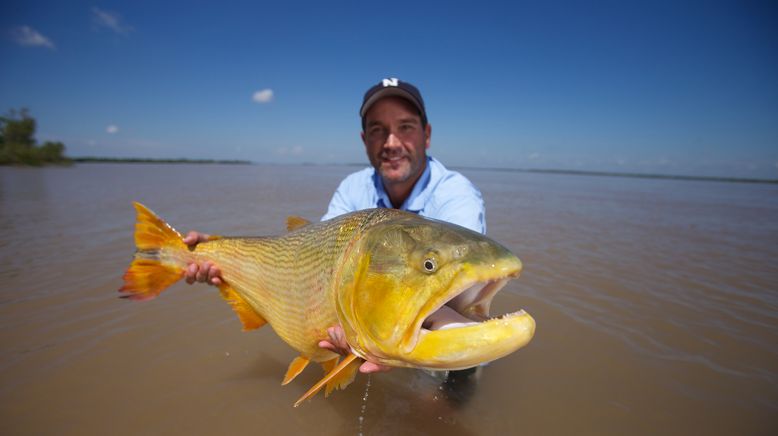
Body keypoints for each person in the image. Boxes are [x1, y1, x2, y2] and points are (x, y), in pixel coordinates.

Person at [184, 78, 486, 374]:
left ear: (427, 134)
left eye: (405, 127)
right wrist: (217, 248)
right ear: (364, 139)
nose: (391, 142)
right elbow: (315, 254)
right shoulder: (353, 188)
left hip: (441, 327)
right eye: (377, 130)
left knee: (458, 379)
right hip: (376, 326)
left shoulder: (457, 195)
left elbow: (458, 289)